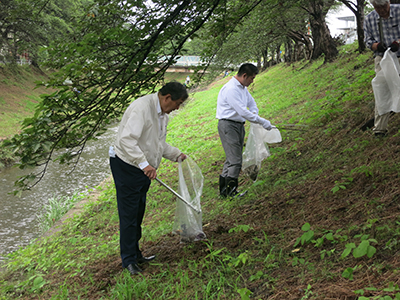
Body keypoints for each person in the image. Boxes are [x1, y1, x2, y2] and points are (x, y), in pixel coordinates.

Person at [109, 82, 188, 275]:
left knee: (138, 211)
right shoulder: (142, 108)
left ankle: (136, 254)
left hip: (143, 168)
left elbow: (157, 143)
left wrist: (176, 154)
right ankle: (128, 260)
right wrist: (144, 164)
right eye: (177, 103)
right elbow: (126, 140)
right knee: (129, 214)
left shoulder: (162, 115)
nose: (177, 108)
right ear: (167, 97)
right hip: (127, 165)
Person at [216, 63, 273, 198]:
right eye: (252, 78)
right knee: (235, 160)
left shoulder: (242, 88)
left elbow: (251, 104)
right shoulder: (231, 89)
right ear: (244, 75)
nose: (252, 81)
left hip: (238, 125)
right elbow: (242, 111)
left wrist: (254, 113)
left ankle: (225, 192)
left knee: (231, 159)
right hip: (228, 125)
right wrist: (261, 121)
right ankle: (231, 192)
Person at [364, 0, 400, 137]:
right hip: (382, 58)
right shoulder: (370, 18)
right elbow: (368, 40)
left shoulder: (398, 11)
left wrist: (397, 43)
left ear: (388, 3)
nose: (382, 10)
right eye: (378, 8)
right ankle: (380, 129)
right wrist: (377, 46)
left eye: (384, 6)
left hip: (399, 53)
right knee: (382, 91)